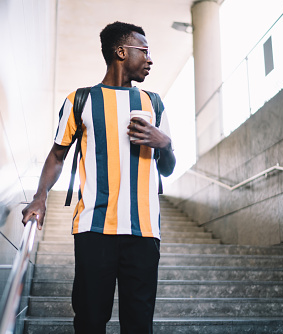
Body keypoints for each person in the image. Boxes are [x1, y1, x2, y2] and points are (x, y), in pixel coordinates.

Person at [22, 21, 176, 334]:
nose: (150, 59)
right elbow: (57, 155)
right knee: (90, 321)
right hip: (94, 228)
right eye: (143, 51)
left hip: (144, 232)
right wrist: (40, 197)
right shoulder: (80, 100)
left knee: (139, 325)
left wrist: (165, 144)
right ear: (121, 52)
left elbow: (168, 167)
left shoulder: (154, 103)